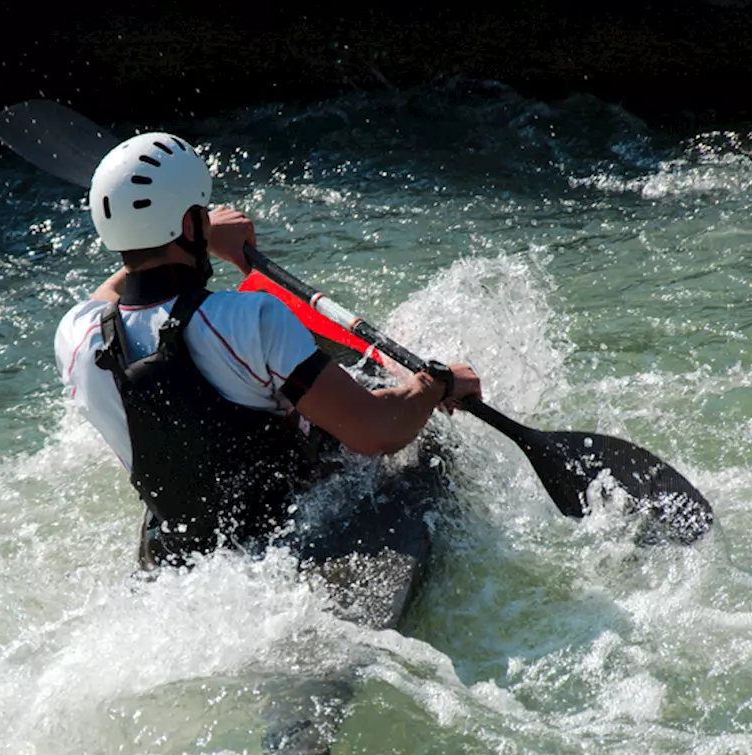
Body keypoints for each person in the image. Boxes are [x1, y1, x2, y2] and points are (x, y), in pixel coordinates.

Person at [54, 131, 481, 565]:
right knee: (403, 412)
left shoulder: (76, 339)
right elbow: (374, 432)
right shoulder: (250, 318)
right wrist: (435, 384)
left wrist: (195, 230)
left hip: (183, 556)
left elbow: (110, 295)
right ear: (188, 224)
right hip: (294, 537)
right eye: (200, 212)